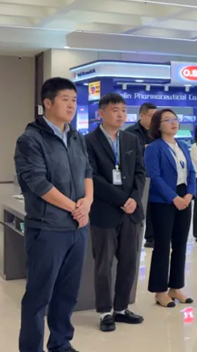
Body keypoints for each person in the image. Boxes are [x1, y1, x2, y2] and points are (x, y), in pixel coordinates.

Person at [15, 78, 93, 352]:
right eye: (65, 100)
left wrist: (88, 202)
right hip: (47, 228)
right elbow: (38, 183)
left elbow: (87, 172)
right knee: (38, 297)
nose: (71, 105)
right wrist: (74, 207)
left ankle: (60, 343)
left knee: (67, 293)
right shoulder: (30, 139)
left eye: (74, 100)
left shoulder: (76, 137)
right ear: (47, 103)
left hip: (78, 228)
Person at [86, 93, 146, 332]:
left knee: (129, 262)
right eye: (115, 110)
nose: (121, 115)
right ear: (101, 113)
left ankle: (121, 308)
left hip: (131, 212)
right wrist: (122, 199)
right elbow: (92, 177)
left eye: (123, 110)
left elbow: (140, 173)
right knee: (103, 264)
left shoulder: (131, 140)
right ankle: (105, 311)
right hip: (104, 212)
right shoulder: (88, 141)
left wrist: (134, 199)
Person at [144, 109, 197, 307]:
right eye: (168, 120)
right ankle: (160, 291)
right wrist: (173, 197)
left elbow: (192, 172)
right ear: (158, 125)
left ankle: (175, 287)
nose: (173, 123)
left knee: (181, 244)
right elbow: (154, 177)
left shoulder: (182, 146)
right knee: (163, 246)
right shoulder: (154, 148)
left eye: (175, 119)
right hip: (163, 201)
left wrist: (190, 194)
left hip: (184, 197)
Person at [126, 102, 157, 248]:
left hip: (155, 174)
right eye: (151, 115)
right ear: (142, 115)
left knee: (154, 207)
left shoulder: (157, 133)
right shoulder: (130, 132)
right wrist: (143, 148)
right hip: (137, 175)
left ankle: (151, 237)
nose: (154, 119)